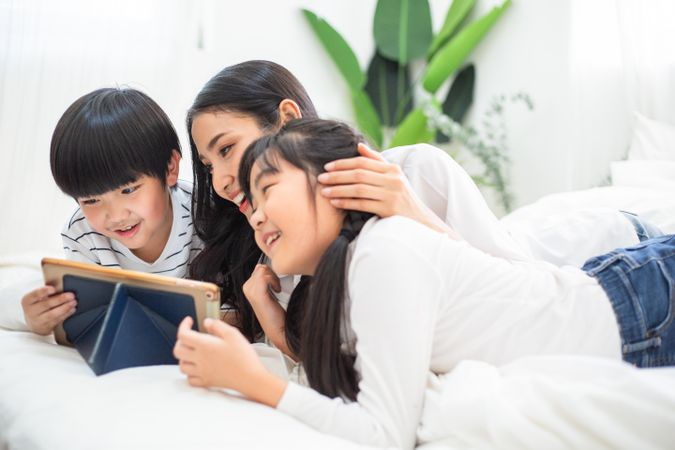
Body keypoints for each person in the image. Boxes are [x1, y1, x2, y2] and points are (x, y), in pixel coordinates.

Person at [174, 118, 675, 449]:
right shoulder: (347, 275)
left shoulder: (384, 250)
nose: (257, 217)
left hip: (642, 306)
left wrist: (252, 380)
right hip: (628, 297)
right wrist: (267, 313)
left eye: (266, 192)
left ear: (336, 181)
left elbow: (383, 432)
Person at [186, 60, 658, 350]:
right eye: (207, 165)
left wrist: (410, 210)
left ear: (285, 118)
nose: (222, 182)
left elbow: (515, 289)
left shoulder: (413, 171)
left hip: (608, 259)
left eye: (226, 149)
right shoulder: (269, 236)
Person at [21, 87, 202, 336]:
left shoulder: (205, 212)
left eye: (128, 190)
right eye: (92, 200)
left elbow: (231, 309)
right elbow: (90, 320)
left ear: (170, 167)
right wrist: (38, 320)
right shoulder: (81, 232)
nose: (116, 216)